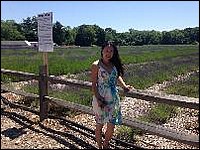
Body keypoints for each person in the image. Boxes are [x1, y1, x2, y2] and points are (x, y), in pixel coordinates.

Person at [91, 41, 133, 149]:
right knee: (99, 124)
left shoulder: (113, 64)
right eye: (106, 50)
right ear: (102, 51)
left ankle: (105, 145)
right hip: (100, 98)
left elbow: (117, 76)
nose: (108, 53)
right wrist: (99, 98)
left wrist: (124, 86)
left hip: (113, 98)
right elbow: (94, 84)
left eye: (111, 51)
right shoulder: (96, 65)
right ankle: (99, 146)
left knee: (111, 125)